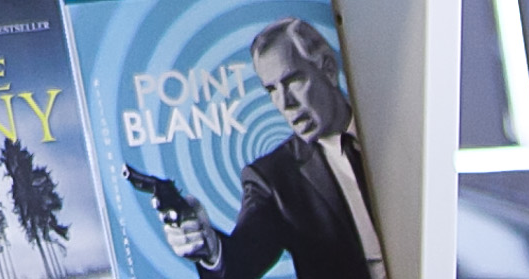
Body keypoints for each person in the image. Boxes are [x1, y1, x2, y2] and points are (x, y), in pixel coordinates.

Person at [148, 19, 389, 279]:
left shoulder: (392, 118)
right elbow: (240, 264)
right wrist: (210, 248)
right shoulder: (273, 178)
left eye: (294, 80)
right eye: (272, 90)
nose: (285, 103)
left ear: (328, 69)